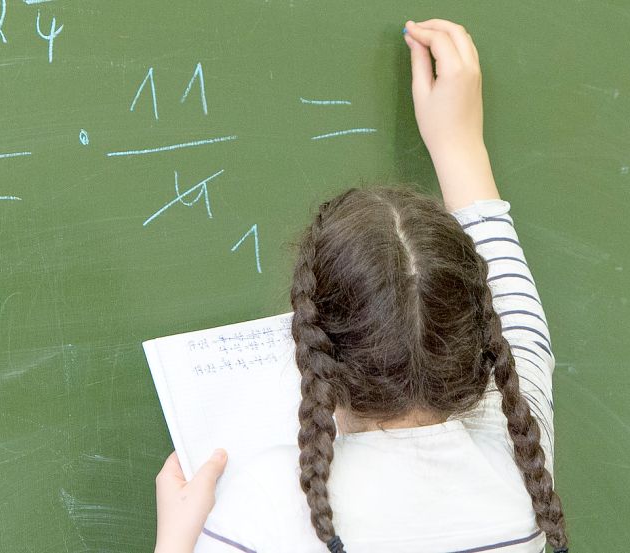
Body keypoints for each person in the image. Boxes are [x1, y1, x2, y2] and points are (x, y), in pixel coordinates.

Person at [153, 19, 569, 553]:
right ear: (482, 342)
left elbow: (517, 321)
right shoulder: (521, 476)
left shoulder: (265, 507)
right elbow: (522, 326)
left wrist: (175, 541)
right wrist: (459, 146)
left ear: (313, 345)